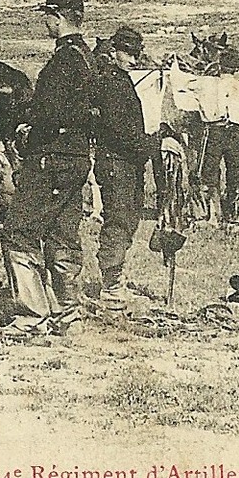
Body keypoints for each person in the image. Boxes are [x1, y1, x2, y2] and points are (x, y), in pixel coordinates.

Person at [0, 0, 97, 338]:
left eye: (48, 17)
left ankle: (32, 316)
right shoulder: (89, 57)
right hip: (77, 157)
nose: (46, 24)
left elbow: (50, 111)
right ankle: (69, 316)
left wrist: (27, 124)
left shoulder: (62, 61)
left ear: (57, 18)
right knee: (62, 234)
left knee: (19, 232)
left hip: (50, 157)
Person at [90, 26, 153, 313]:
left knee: (127, 220)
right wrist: (153, 145)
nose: (133, 59)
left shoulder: (119, 80)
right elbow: (119, 132)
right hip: (117, 162)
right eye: (127, 53)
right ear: (113, 51)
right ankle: (111, 288)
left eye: (136, 53)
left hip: (127, 162)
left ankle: (116, 281)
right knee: (118, 221)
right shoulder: (111, 83)